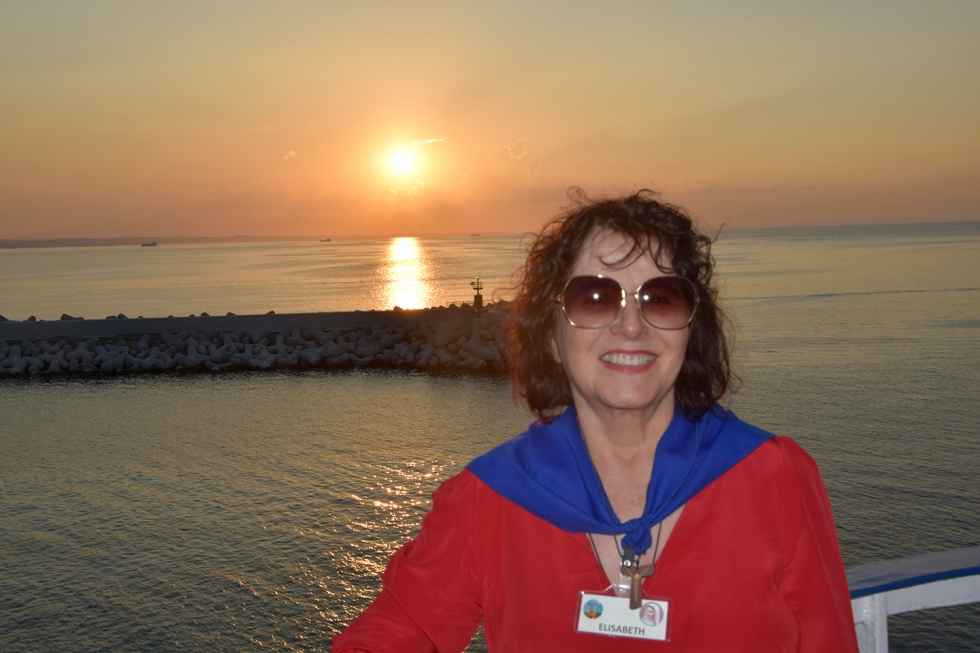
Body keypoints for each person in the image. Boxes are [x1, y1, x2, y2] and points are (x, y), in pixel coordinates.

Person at [334, 190, 859, 652]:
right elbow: (395, 632)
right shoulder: (487, 499)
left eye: (661, 298)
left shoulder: (775, 477)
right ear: (551, 337)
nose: (631, 324)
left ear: (690, 329)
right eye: (594, 297)